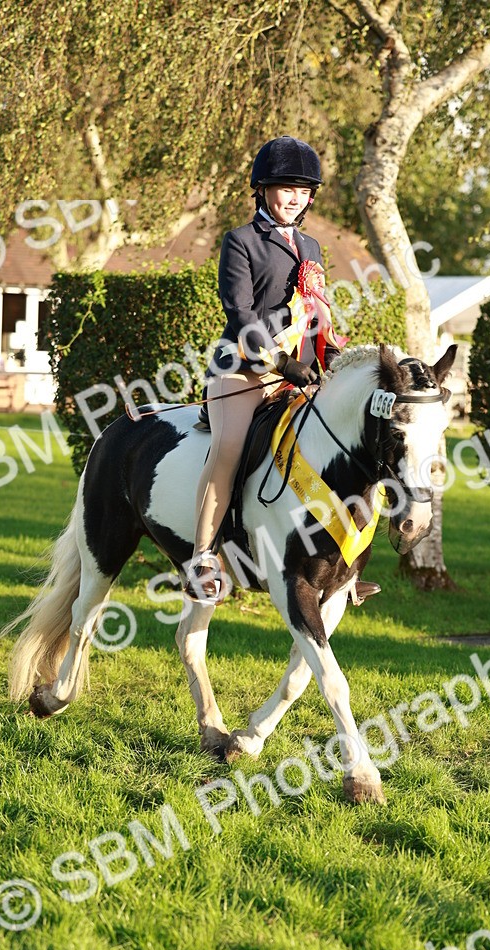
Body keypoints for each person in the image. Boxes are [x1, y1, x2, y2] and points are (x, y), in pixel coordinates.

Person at [187, 135, 343, 602]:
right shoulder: (241, 241)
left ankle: (339, 565)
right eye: (285, 188)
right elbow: (240, 313)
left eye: (302, 191)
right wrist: (278, 361)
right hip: (244, 369)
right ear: (262, 190)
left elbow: (314, 309)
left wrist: (329, 354)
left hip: (298, 372)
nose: (294, 198)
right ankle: (202, 558)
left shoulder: (311, 246)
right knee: (229, 449)